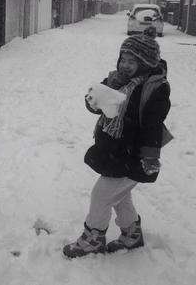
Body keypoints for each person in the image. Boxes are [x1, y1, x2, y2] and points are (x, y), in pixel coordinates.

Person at [63, 28, 171, 258]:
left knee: (102, 195)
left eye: (133, 61)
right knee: (119, 196)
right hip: (114, 150)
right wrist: (92, 102)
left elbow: (153, 125)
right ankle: (131, 233)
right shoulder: (117, 81)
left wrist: (151, 156)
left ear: (147, 63)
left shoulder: (154, 89)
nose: (126, 65)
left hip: (134, 154)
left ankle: (93, 237)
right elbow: (98, 100)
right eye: (124, 58)